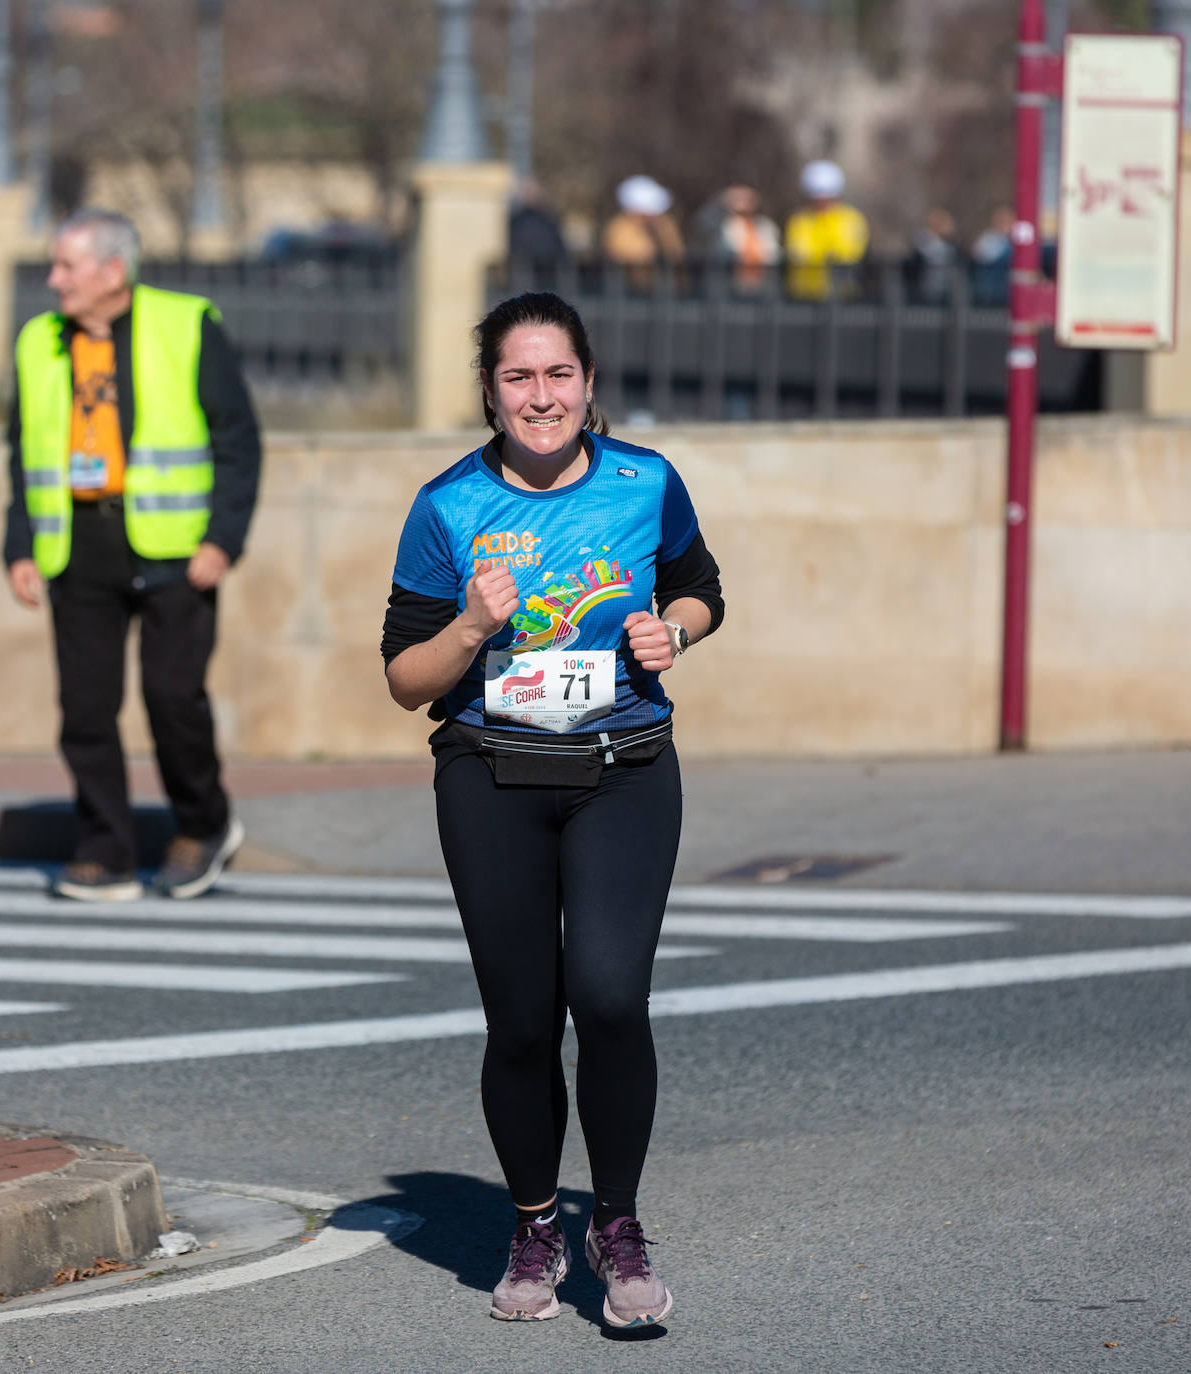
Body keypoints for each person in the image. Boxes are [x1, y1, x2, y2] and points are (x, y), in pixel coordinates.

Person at [380, 291, 723, 1328]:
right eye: (519, 377)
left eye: (559, 374)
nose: (541, 397)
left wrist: (677, 630)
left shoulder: (645, 481)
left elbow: (701, 585)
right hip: (491, 778)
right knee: (523, 1022)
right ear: (488, 391)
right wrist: (473, 625)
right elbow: (403, 676)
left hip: (625, 768)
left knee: (611, 998)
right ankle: (535, 1223)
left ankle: (614, 1226)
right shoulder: (446, 505)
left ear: (589, 382)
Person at [3, 207, 260, 902]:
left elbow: (238, 439)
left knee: (172, 697)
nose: (53, 279)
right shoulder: (38, 341)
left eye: (67, 266)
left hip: (176, 547)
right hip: (77, 543)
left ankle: (204, 827)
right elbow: (23, 450)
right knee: (85, 709)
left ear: (112, 272)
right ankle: (104, 850)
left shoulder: (186, 323)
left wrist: (223, 539)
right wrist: (19, 543)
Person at [783, 159, 870, 299]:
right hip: (804, 296)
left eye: (827, 197)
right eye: (817, 197)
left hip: (843, 295)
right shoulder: (799, 221)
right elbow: (798, 253)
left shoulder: (851, 219)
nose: (822, 202)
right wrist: (824, 256)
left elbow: (849, 253)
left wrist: (819, 257)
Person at [600, 175, 684, 289]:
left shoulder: (663, 225)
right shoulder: (620, 230)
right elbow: (634, 261)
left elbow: (676, 254)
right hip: (633, 295)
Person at [693, 183, 781, 291]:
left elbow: (773, 254)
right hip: (731, 288)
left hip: (762, 287)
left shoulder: (765, 225)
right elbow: (703, 222)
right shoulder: (723, 226)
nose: (744, 202)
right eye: (739, 198)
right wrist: (721, 201)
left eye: (748, 198)